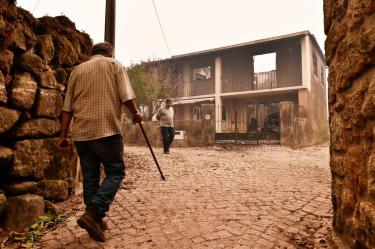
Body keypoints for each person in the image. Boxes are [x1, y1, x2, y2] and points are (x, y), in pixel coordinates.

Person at [56, 42, 142, 242]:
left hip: (81, 134)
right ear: (109, 53)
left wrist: (63, 136)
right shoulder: (114, 64)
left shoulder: (77, 71)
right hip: (107, 130)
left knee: (90, 177)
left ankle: (96, 218)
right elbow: (126, 95)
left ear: (91, 53)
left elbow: (67, 108)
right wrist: (135, 113)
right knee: (116, 171)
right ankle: (94, 213)